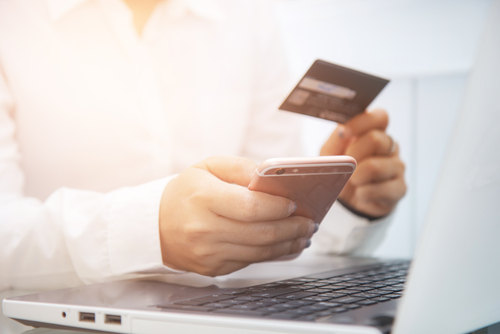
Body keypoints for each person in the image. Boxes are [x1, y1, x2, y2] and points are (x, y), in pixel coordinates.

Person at [0, 0, 406, 290]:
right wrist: (150, 230)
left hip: (227, 310)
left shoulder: (246, 12)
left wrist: (338, 204)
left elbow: (275, 226)